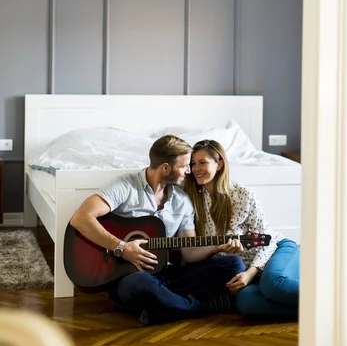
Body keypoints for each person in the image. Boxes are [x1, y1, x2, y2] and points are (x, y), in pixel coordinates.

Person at [69, 135, 245, 325]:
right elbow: (81, 218)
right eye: (185, 165)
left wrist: (217, 247)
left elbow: (189, 252)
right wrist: (121, 247)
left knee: (233, 265)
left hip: (167, 274)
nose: (190, 171)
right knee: (142, 283)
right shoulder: (126, 186)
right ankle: (201, 306)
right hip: (129, 277)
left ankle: (160, 307)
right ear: (166, 168)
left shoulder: (182, 201)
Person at [184, 139, 300, 320]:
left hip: (274, 250)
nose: (196, 168)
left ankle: (334, 302)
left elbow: (266, 240)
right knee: (246, 303)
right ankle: (314, 315)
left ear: (219, 164)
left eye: (202, 162)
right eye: (192, 164)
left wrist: (250, 272)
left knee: (273, 286)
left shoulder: (242, 195)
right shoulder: (192, 199)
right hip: (243, 269)